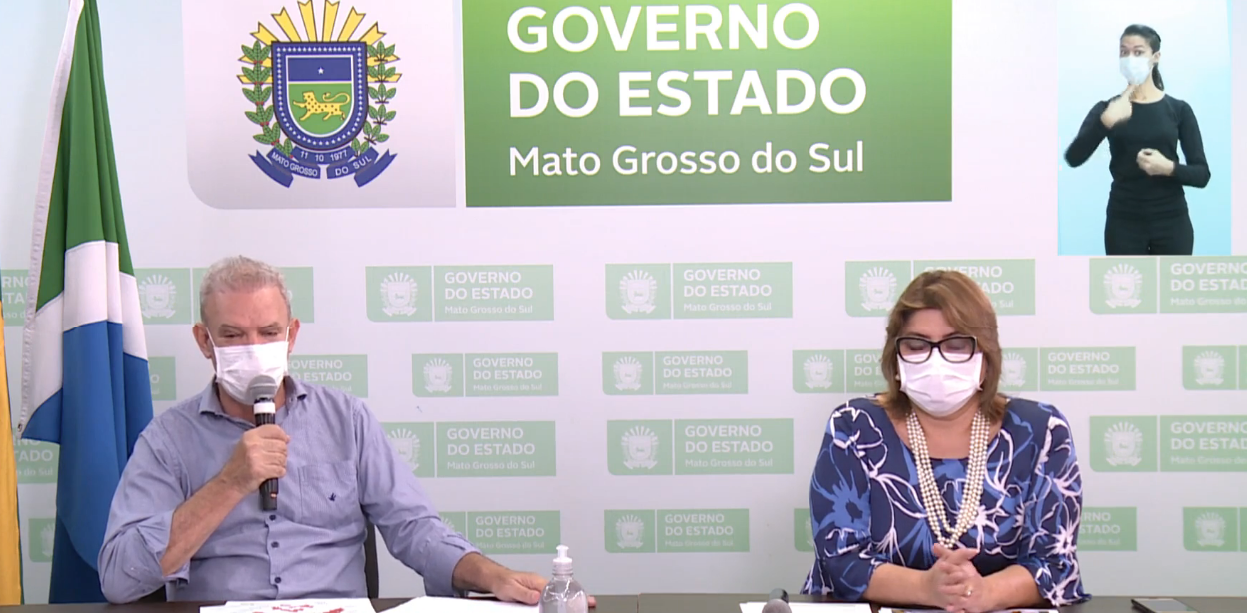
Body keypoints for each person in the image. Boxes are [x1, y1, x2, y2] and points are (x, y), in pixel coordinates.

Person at [98, 256, 595, 606]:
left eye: (268, 332)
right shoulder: (167, 440)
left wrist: (493, 575)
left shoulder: (346, 419)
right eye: (233, 335)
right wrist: (229, 483)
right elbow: (119, 578)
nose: (254, 346)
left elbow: (415, 528)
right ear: (204, 341)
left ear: (292, 335)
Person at [801, 270, 1088, 613]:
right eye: (916, 345)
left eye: (956, 345)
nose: (935, 360)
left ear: (985, 357)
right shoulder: (855, 426)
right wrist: (926, 588)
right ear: (896, 359)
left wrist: (984, 592)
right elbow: (839, 559)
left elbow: (1055, 565)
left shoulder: (1040, 431)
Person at [1063, 24, 1210, 256]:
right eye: (1124, 52)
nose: (1130, 58)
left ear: (1156, 57)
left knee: (1169, 281)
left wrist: (1168, 167)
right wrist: (1105, 121)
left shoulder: (1179, 110)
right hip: (1123, 221)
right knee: (1126, 281)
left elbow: (1202, 175)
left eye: (1138, 52)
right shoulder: (1107, 109)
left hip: (1172, 221)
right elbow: (1073, 157)